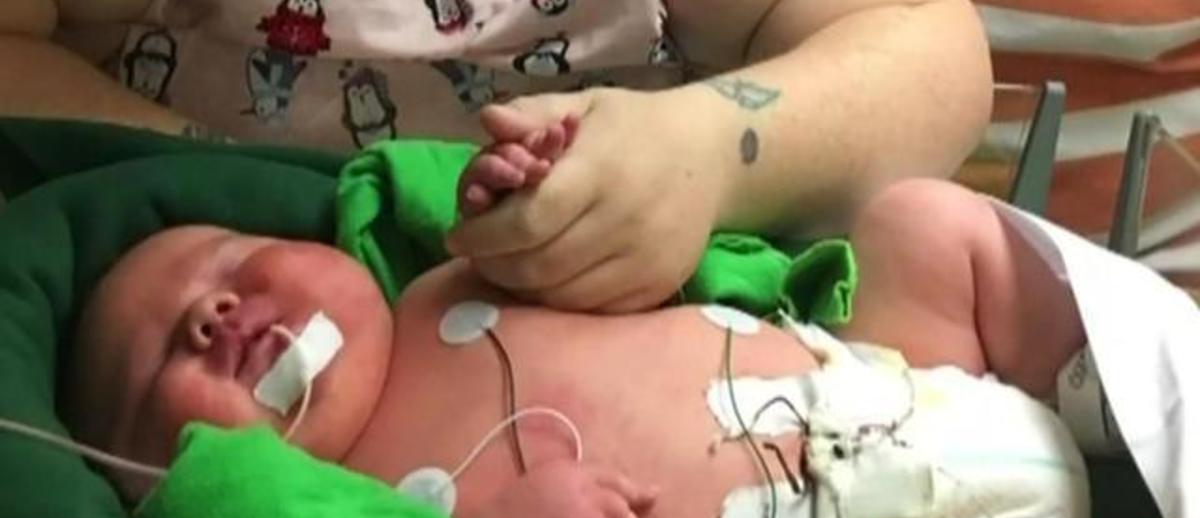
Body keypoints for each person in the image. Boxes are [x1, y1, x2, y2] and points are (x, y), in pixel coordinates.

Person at [68, 167, 1091, 518]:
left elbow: (651, 263)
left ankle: (1114, 394)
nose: (212, 313)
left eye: (231, 259)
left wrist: (536, 204)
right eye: (153, 361)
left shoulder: (442, 280)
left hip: (912, 371)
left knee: (918, 226)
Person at [0, 0, 994, 311]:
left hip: (611, 330)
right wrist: (236, 188)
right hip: (198, 287)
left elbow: (928, 50)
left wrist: (714, 148)